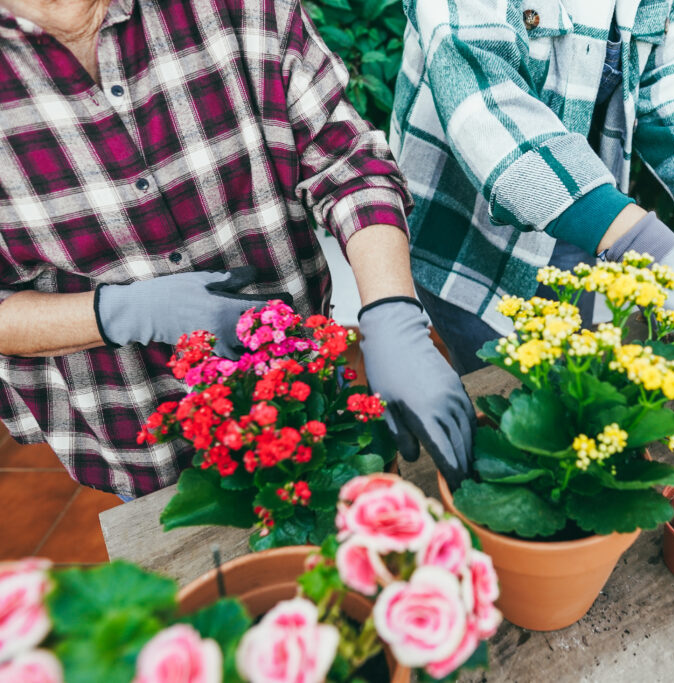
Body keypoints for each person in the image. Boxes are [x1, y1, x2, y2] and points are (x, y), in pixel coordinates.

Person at [0, 0, 474, 495]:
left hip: (303, 391)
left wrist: (392, 313)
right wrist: (125, 312)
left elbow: (347, 161)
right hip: (137, 433)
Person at [391, 0, 674, 375]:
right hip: (466, 230)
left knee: (575, 379)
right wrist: (640, 242)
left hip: (593, 215)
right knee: (509, 398)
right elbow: (488, 103)